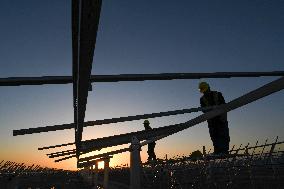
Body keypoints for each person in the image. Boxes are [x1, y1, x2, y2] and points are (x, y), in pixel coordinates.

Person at [199, 82, 230, 154]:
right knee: (214, 135)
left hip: (220, 117)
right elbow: (203, 110)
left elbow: (224, 106)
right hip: (211, 120)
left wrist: (223, 116)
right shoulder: (202, 99)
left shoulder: (217, 94)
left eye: (205, 90)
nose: (205, 92)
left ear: (208, 88)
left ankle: (224, 151)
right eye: (203, 91)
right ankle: (217, 151)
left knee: (223, 134)